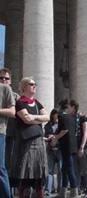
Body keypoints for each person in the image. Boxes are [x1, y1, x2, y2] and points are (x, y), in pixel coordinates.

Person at [14, 77, 49, 198]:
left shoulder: (37, 102)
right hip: (26, 142)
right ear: (24, 87)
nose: (34, 86)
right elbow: (26, 119)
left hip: (39, 142)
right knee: (25, 173)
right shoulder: (20, 102)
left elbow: (47, 117)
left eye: (35, 84)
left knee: (39, 173)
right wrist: (37, 118)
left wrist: (32, 117)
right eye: (31, 84)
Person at [51, 100, 79, 198]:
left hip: (66, 146)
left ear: (60, 108)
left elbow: (64, 130)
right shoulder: (73, 117)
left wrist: (55, 138)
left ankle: (74, 192)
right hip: (72, 146)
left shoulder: (62, 116)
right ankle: (63, 193)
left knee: (70, 169)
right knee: (64, 169)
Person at [0, 68, 19, 196]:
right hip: (6, 133)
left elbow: (16, 112)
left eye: (6, 78)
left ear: (10, 81)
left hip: (9, 134)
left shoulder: (15, 96)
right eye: (1, 78)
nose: (3, 80)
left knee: (4, 166)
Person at [44, 109, 61, 197]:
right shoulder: (48, 125)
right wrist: (48, 136)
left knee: (60, 170)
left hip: (60, 150)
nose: (56, 116)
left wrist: (54, 136)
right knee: (49, 171)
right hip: (50, 149)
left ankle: (60, 189)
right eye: (54, 115)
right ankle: (48, 190)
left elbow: (64, 135)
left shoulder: (61, 124)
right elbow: (45, 134)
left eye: (57, 115)